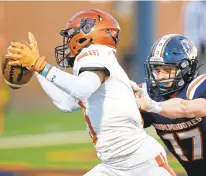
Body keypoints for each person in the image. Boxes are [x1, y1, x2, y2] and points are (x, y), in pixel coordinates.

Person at [4, 9, 176, 176]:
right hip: (114, 166)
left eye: (72, 35)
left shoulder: (94, 55)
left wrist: (41, 67)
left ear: (87, 35)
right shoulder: (101, 60)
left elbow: (81, 89)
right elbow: (66, 102)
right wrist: (37, 69)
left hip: (141, 165)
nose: (69, 41)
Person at [131, 34, 206, 176]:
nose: (160, 76)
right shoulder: (147, 93)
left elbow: (185, 108)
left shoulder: (200, 87)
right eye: (157, 69)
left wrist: (152, 106)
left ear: (186, 69)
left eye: (167, 70)